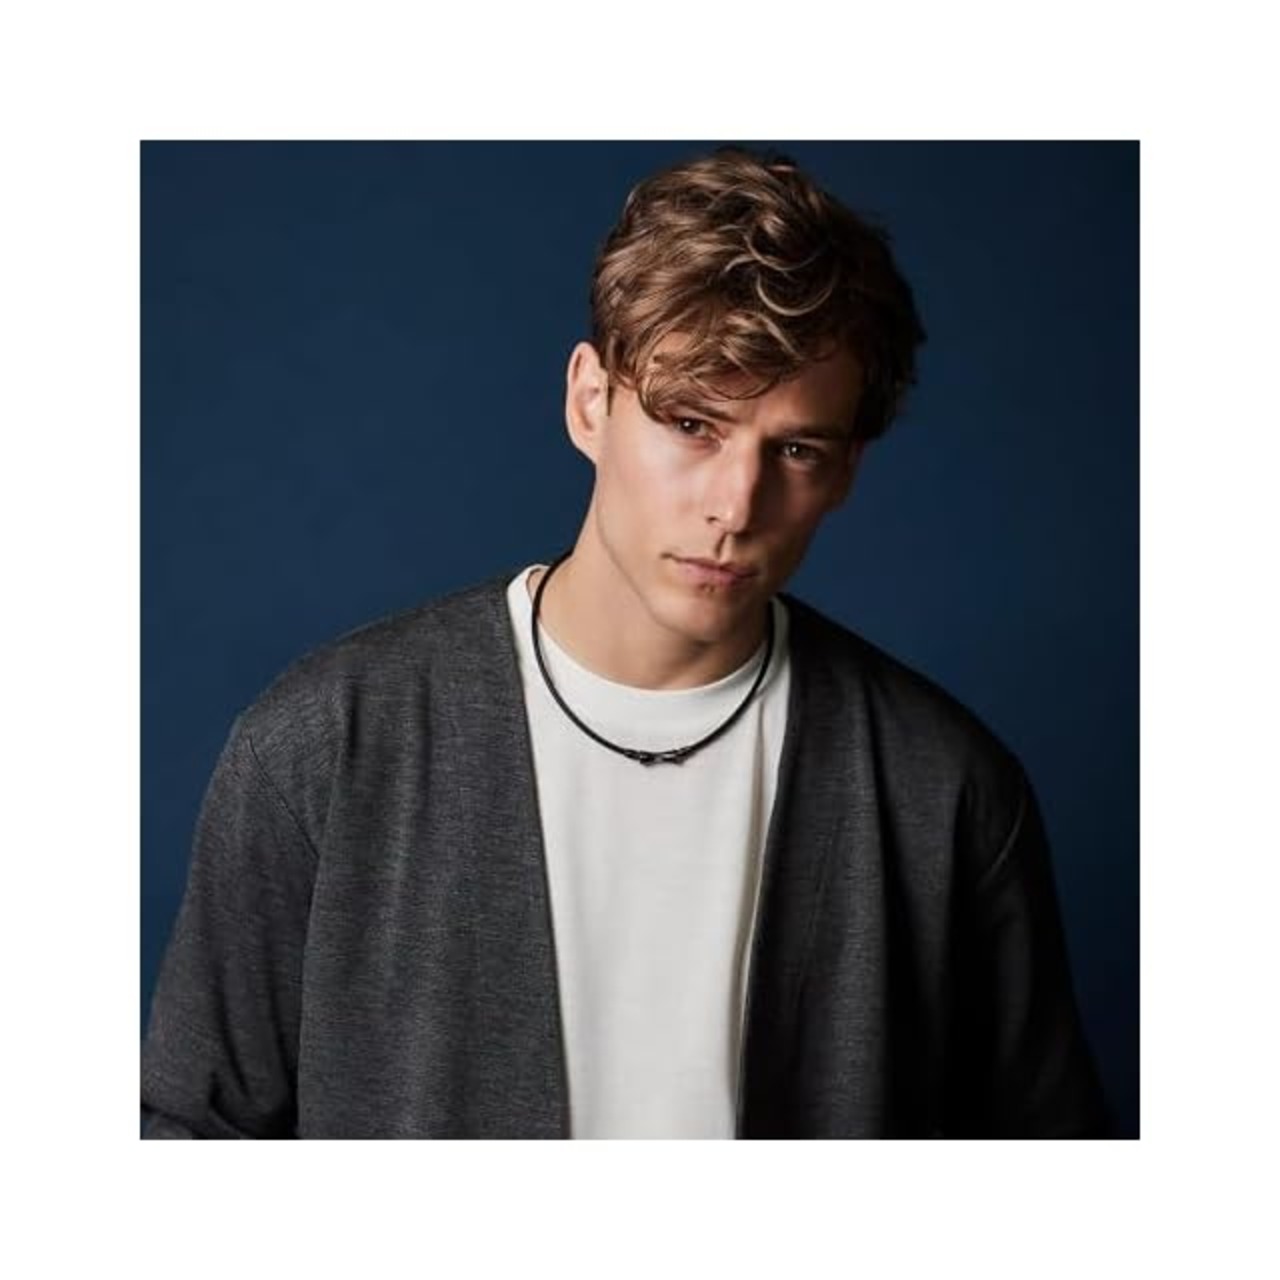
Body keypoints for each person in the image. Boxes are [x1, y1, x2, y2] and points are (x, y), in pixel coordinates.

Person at [141, 146, 1109, 1139]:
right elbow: (193, 1133)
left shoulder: (941, 790)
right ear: (590, 402)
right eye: (691, 423)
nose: (735, 506)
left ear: (845, 470)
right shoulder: (327, 747)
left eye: (794, 449)